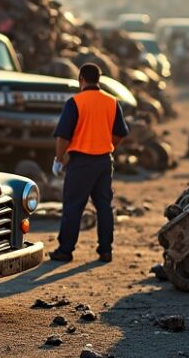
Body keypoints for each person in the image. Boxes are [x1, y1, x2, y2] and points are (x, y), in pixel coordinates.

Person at [50, 63, 130, 263]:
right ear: (99, 80)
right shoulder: (112, 102)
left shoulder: (75, 102)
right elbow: (120, 133)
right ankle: (105, 250)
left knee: (73, 206)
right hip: (104, 161)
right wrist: (108, 145)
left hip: (81, 162)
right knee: (104, 206)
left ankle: (65, 250)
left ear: (81, 79)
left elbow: (62, 137)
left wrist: (59, 159)